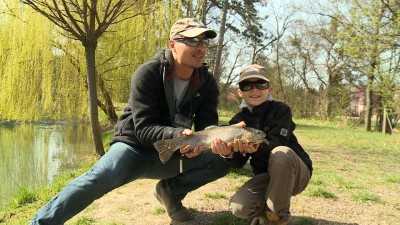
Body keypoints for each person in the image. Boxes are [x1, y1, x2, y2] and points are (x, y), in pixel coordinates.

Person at [31, 18, 230, 224]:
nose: (201, 48)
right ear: (172, 44)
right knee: (99, 177)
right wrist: (179, 136)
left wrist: (212, 144)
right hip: (133, 148)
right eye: (193, 40)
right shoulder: (149, 73)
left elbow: (207, 125)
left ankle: (170, 192)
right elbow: (143, 128)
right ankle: (41, 222)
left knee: (220, 162)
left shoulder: (206, 82)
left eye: (204, 42)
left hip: (174, 151)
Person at [211, 64, 313, 225]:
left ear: (270, 89)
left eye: (261, 84)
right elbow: (238, 163)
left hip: (295, 174)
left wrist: (256, 145)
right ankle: (263, 212)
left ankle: (275, 219)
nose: (254, 89)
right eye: (247, 85)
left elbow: (278, 145)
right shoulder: (237, 122)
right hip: (265, 176)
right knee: (240, 207)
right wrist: (227, 153)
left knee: (281, 153)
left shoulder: (281, 110)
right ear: (240, 92)